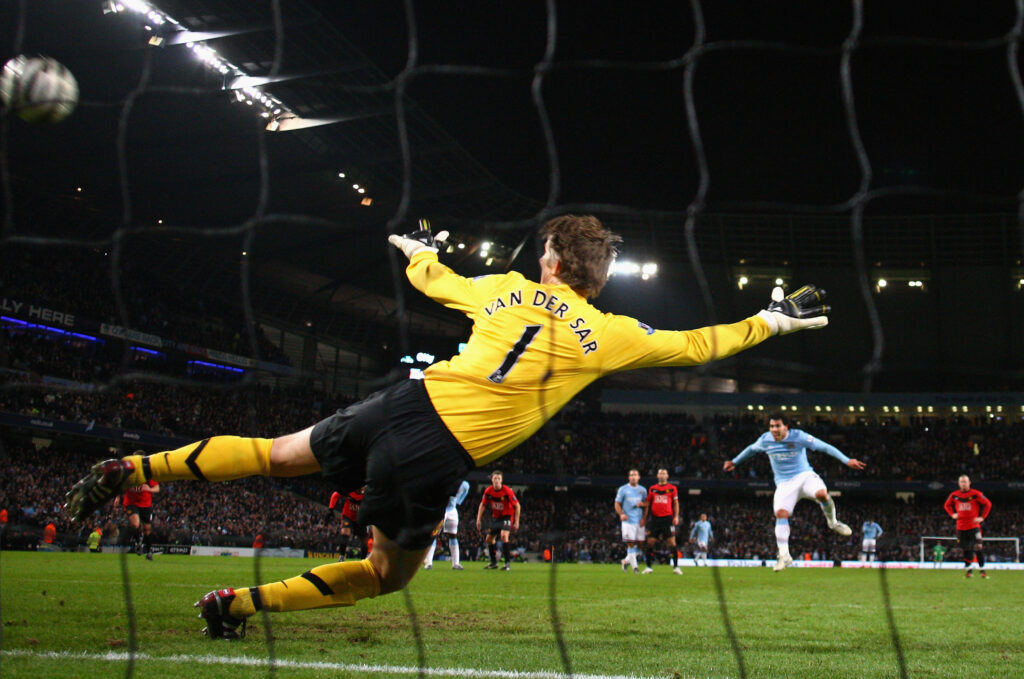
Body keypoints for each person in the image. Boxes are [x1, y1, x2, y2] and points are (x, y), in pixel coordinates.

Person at [66, 215, 829, 639]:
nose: (538, 259)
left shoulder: (500, 289)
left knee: (274, 454)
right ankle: (233, 605)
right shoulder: (611, 333)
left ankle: (130, 470)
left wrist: (416, 251)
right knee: (383, 575)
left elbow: (436, 279)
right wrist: (769, 320)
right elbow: (700, 344)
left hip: (402, 399)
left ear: (554, 266)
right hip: (438, 451)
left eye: (545, 252)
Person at [723, 413, 865, 572]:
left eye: (777, 426)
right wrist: (734, 462)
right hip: (784, 483)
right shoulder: (765, 440)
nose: (774, 429)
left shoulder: (799, 436)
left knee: (822, 494)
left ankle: (833, 522)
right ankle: (784, 555)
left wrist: (846, 460)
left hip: (804, 476)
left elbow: (824, 446)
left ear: (786, 427)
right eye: (771, 426)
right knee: (781, 514)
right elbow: (751, 449)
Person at [943, 475, 992, 579]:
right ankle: (969, 571)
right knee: (966, 549)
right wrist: (952, 514)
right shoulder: (954, 495)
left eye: (965, 482)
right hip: (961, 528)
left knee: (978, 547)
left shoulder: (976, 494)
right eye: (961, 482)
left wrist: (982, 517)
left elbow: (988, 504)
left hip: (974, 526)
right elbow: (946, 505)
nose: (963, 484)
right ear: (958, 483)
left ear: (969, 482)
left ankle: (982, 571)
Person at [476, 471, 520, 570]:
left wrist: (516, 521)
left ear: (501, 480)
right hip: (496, 518)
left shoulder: (507, 491)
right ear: (492, 479)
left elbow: (517, 506)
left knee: (504, 536)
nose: (496, 480)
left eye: (498, 479)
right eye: (495, 478)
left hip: (507, 516)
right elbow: (483, 504)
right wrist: (478, 519)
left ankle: (507, 563)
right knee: (489, 539)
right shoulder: (488, 491)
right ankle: (493, 563)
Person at [641, 468, 681, 574]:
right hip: (655, 519)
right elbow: (648, 504)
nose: (662, 475)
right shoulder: (652, 489)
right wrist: (643, 514)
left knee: (672, 542)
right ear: (657, 476)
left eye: (664, 473)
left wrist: (676, 517)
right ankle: (649, 567)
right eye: (660, 473)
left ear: (667, 476)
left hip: (667, 519)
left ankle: (676, 567)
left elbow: (676, 503)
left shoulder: (672, 488)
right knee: (650, 542)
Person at [424, 479, 470, 570]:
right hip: (440, 510)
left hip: (452, 510)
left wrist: (457, 502)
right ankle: (429, 563)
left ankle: (456, 563)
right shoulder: (443, 480)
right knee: (434, 534)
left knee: (453, 535)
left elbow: (462, 495)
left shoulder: (465, 485)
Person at [115, 478, 160, 560]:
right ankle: (137, 542)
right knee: (135, 524)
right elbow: (121, 485)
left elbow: (157, 488)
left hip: (146, 504)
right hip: (131, 503)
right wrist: (117, 497)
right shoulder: (130, 474)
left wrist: (149, 489)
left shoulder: (148, 474)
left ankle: (149, 550)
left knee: (147, 529)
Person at [614, 469, 646, 573]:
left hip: (639, 521)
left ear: (639, 477)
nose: (633, 477)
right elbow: (617, 503)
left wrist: (644, 515)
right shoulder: (623, 489)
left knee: (641, 544)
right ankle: (635, 568)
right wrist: (621, 514)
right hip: (628, 521)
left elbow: (647, 504)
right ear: (629, 477)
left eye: (635, 475)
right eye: (631, 475)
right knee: (631, 543)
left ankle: (626, 561)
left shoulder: (643, 490)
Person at [328, 486, 366, 561]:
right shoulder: (348, 490)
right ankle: (342, 556)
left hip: (360, 518)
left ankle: (363, 559)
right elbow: (335, 495)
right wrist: (331, 508)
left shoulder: (367, 493)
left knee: (363, 540)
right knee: (345, 533)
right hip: (348, 516)